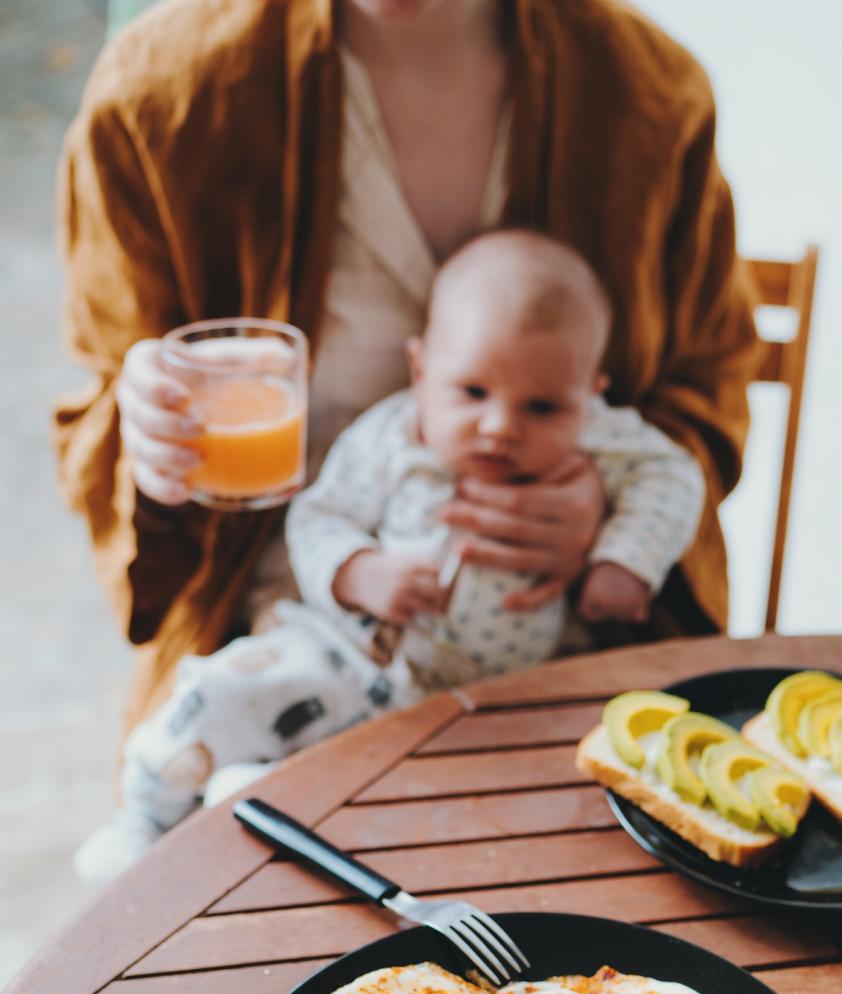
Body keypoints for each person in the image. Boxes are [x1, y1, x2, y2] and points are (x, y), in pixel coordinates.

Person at [55, 0, 756, 743]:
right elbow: (99, 420)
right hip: (276, 637)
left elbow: (708, 390)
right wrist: (152, 440)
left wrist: (615, 521)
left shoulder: (649, 93)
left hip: (569, 654)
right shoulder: (158, 97)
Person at [74, 230, 705, 883]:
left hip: (505, 692)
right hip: (353, 654)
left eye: (542, 407)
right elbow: (319, 517)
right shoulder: (390, 436)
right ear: (420, 368)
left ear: (591, 394)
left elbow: (674, 477)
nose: (500, 427)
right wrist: (360, 573)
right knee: (226, 689)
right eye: (472, 392)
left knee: (483, 806)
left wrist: (624, 561)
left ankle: (262, 791)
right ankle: (145, 815)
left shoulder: (604, 437)